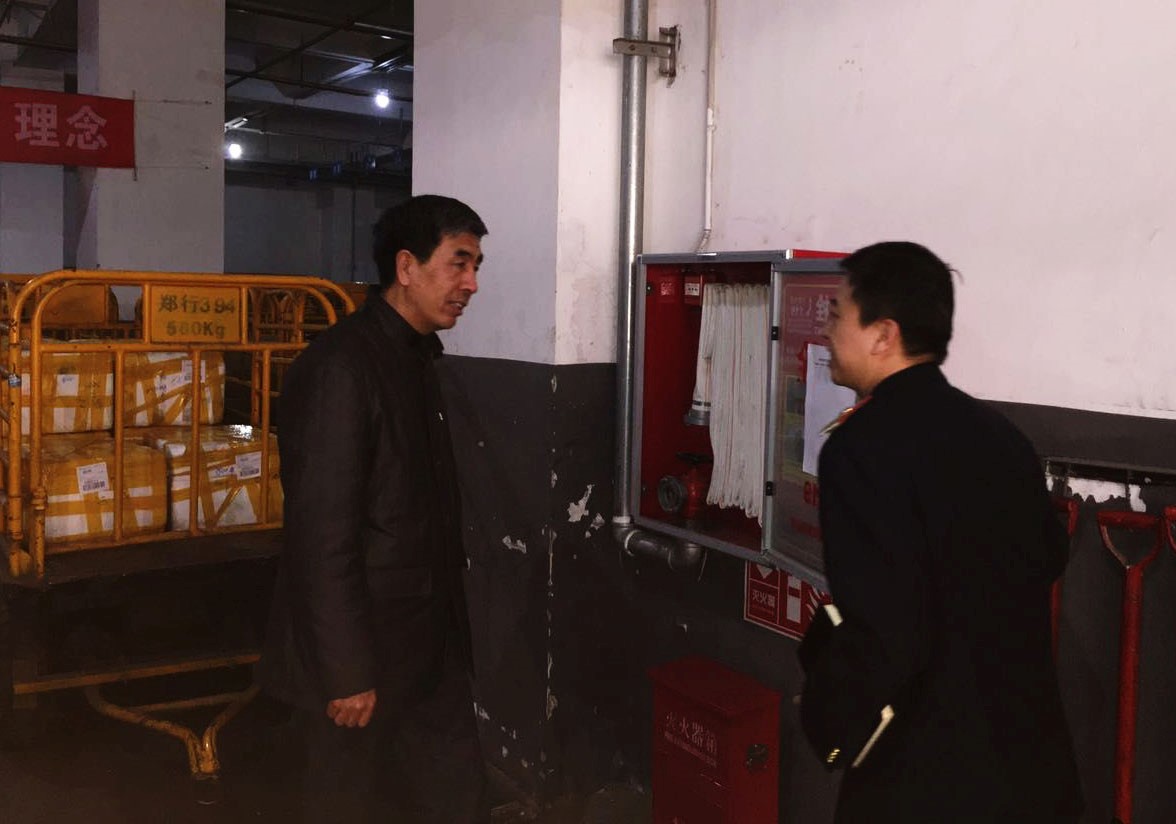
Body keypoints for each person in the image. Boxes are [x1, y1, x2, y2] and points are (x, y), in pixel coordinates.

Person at [798, 241, 1082, 822]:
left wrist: (826, 717)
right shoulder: (1001, 435)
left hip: (924, 776)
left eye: (837, 314)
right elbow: (1049, 556)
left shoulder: (861, 448)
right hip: (1028, 765)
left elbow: (884, 631)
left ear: (884, 335)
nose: (826, 330)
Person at [260, 194, 489, 823]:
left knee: (454, 794)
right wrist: (346, 671)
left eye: (476, 266)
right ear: (407, 266)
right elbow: (321, 534)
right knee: (349, 800)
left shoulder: (417, 358)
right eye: (459, 262)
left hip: (425, 644)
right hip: (364, 656)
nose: (471, 284)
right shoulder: (341, 368)